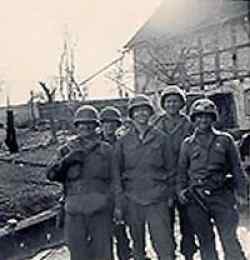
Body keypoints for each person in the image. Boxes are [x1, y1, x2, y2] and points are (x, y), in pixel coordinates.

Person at [177, 98, 247, 260]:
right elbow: (181, 172)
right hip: (197, 198)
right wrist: (180, 191)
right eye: (199, 116)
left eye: (207, 116)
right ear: (193, 119)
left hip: (221, 195)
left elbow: (237, 169)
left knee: (229, 239)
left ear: (213, 118)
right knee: (205, 241)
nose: (203, 120)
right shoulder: (187, 144)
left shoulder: (225, 140)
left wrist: (241, 195)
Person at [46, 105, 113, 260]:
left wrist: (116, 207)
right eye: (82, 124)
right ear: (76, 126)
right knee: (78, 252)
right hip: (74, 210)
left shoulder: (106, 150)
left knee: (103, 252)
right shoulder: (65, 149)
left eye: (90, 124)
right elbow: (50, 174)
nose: (86, 127)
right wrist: (67, 161)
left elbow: (115, 179)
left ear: (96, 126)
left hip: (100, 209)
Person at [112, 94, 175, 260]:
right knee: (137, 244)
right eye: (137, 111)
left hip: (157, 198)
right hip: (132, 198)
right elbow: (116, 174)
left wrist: (169, 195)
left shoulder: (162, 138)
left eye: (145, 111)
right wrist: (120, 202)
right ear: (131, 115)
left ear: (150, 113)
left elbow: (171, 169)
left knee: (163, 243)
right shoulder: (123, 142)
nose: (141, 114)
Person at [155, 85, 197, 260]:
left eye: (175, 101)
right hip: (163, 180)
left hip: (185, 178)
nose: (172, 104)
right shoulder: (156, 124)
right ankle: (168, 255)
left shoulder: (189, 124)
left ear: (182, 103)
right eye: (168, 101)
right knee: (165, 222)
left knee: (188, 221)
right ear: (163, 104)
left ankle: (188, 253)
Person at [100, 106, 132, 260]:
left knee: (121, 230)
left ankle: (125, 255)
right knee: (103, 232)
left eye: (113, 123)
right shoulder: (95, 144)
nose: (109, 126)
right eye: (106, 123)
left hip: (120, 190)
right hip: (101, 191)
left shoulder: (122, 143)